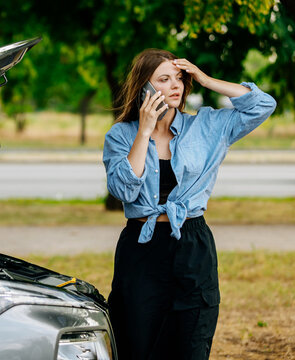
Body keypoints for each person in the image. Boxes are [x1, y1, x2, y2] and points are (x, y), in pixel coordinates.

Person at [102, 49, 276, 360]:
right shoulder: (121, 135)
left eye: (180, 78)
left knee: (192, 343)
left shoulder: (207, 126)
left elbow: (263, 105)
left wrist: (206, 80)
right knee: (136, 345)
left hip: (193, 246)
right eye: (164, 79)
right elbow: (123, 191)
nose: (175, 85)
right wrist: (144, 131)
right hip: (141, 251)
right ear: (143, 87)